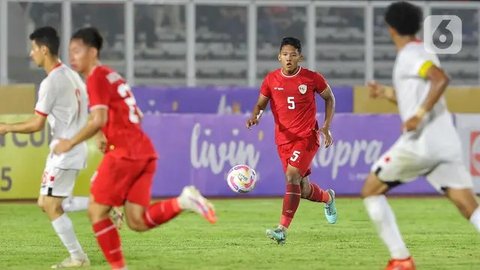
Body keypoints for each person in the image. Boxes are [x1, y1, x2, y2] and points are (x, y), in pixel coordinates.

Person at [54, 27, 216, 270]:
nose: (72, 57)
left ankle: (120, 268)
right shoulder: (113, 75)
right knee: (137, 221)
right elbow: (132, 115)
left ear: (93, 51)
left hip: (124, 152)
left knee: (96, 211)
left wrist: (70, 142)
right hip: (144, 151)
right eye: (70, 52)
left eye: (77, 51)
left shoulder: (96, 77)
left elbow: (98, 119)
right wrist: (106, 134)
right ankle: (183, 201)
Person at [361, 2, 480, 270]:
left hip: (422, 143)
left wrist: (419, 115)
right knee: (468, 205)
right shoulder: (422, 51)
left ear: (390, 28)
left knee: (371, 190)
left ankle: (401, 259)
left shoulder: (410, 55)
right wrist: (384, 93)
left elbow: (440, 79)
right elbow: (414, 96)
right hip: (445, 141)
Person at [0, 26, 90, 268]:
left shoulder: (51, 83)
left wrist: (7, 127)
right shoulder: (73, 76)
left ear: (44, 49)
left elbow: (36, 124)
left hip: (65, 150)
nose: (31, 54)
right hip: (74, 147)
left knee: (50, 204)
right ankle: (103, 205)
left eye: (33, 49)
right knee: (49, 202)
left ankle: (78, 257)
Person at [246, 37, 337, 245]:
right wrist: (255, 117)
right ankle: (328, 198)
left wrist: (326, 127)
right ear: (279, 57)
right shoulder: (271, 80)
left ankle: (282, 229)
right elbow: (260, 105)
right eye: (285, 54)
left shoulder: (311, 78)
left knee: (291, 175)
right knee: (303, 189)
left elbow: (329, 98)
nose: (289, 58)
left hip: (306, 137)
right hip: (283, 141)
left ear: (300, 57)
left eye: (293, 54)